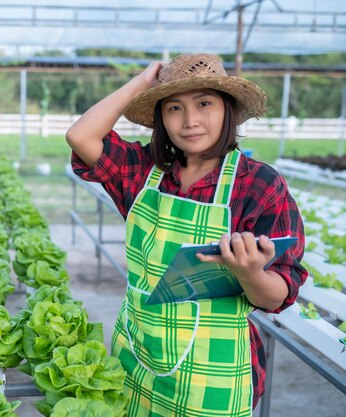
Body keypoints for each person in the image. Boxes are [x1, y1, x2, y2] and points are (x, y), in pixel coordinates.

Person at [66, 53, 307, 416]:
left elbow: (278, 296)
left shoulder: (257, 184)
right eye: (174, 108)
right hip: (134, 357)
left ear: (228, 109)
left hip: (212, 376)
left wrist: (251, 272)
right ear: (161, 118)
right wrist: (145, 82)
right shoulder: (145, 170)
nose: (190, 121)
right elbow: (79, 135)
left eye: (205, 103)